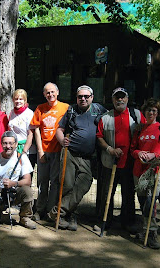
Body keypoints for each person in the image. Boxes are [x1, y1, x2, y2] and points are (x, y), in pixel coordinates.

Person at [47, 85, 107, 230]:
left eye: (86, 96)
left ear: (92, 97)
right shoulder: (71, 110)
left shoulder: (99, 110)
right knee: (67, 185)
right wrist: (62, 140)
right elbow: (59, 130)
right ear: (77, 98)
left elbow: (112, 120)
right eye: (80, 96)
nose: (83, 99)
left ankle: (56, 213)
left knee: (85, 183)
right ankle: (68, 216)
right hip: (70, 152)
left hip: (87, 157)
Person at [96, 87, 146, 234]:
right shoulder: (105, 117)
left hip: (130, 163)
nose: (120, 100)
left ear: (127, 99)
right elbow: (99, 136)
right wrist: (110, 149)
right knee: (107, 194)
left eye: (122, 97)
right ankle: (105, 221)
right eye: (116, 97)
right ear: (112, 100)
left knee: (128, 193)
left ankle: (128, 222)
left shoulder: (136, 115)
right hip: (109, 162)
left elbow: (146, 130)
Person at [130, 98, 160, 249]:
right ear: (144, 112)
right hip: (139, 171)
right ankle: (146, 229)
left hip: (154, 170)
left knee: (151, 201)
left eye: (154, 110)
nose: (151, 113)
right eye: (148, 110)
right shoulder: (139, 129)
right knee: (142, 201)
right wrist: (139, 153)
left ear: (158, 113)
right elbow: (132, 149)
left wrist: (154, 155)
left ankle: (152, 233)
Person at [0, 131, 36, 229]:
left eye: (11, 143)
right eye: (5, 143)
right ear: (1, 144)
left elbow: (28, 181)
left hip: (13, 193)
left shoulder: (22, 158)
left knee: (27, 191)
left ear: (16, 144)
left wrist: (14, 183)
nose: (8, 146)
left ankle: (25, 217)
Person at [29, 82, 69, 220]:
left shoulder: (65, 108)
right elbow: (36, 130)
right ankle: (39, 209)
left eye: (52, 92)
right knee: (42, 181)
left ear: (57, 92)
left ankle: (50, 210)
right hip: (44, 151)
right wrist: (40, 151)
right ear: (44, 94)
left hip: (58, 151)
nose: (50, 95)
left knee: (55, 182)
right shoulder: (40, 108)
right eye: (47, 92)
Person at [8, 89, 37, 174]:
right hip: (14, 149)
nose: (18, 101)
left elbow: (30, 134)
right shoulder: (12, 112)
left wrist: (24, 151)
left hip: (27, 150)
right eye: (16, 99)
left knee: (25, 177)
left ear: (25, 100)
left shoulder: (29, 113)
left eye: (21, 99)